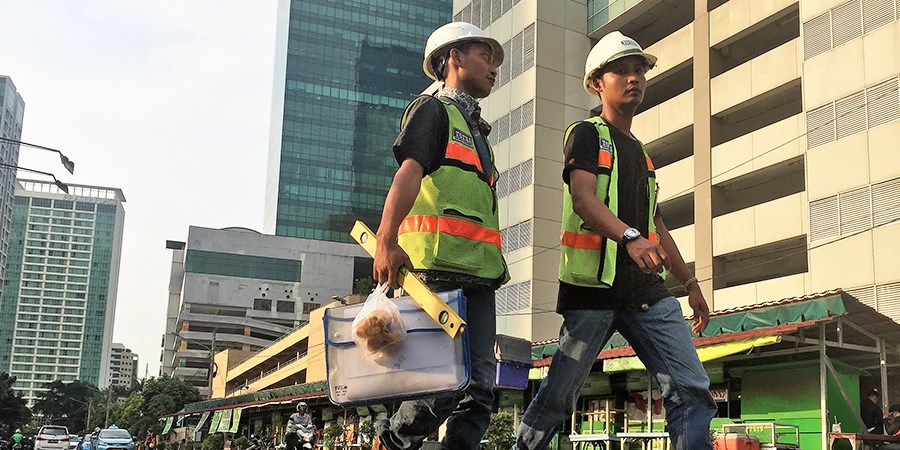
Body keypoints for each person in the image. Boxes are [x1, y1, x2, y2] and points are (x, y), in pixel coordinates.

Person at [512, 31, 717, 450]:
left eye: (638, 70)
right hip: (593, 292)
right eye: (620, 71)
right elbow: (584, 199)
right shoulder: (586, 134)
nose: (633, 77)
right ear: (596, 83)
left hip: (647, 293)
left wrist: (691, 284)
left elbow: (657, 225)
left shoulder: (642, 154)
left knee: (692, 390)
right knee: (560, 395)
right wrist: (630, 238)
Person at [370, 20, 508, 450]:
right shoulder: (433, 110)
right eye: (484, 56)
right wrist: (386, 240)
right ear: (454, 58)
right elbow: (408, 173)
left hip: (480, 276)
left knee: (480, 389)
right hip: (436, 269)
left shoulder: (478, 132)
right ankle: (393, 440)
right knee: (443, 383)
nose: (493, 67)